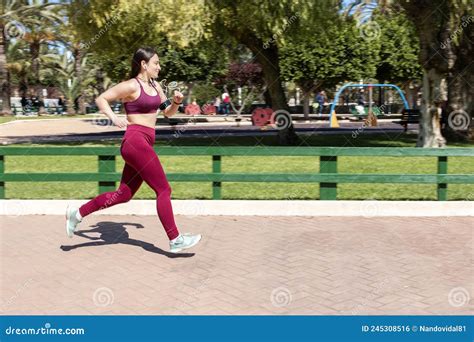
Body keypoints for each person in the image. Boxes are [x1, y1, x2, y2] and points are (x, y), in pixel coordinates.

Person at [65, 47, 201, 253]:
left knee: (123, 195)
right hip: (135, 141)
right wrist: (114, 118)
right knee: (163, 190)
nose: (159, 66)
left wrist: (176, 102)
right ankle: (175, 240)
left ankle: (77, 214)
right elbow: (101, 98)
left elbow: (167, 113)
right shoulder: (131, 85)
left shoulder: (156, 86)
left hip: (144, 142)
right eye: (156, 63)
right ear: (144, 64)